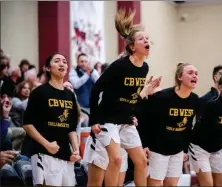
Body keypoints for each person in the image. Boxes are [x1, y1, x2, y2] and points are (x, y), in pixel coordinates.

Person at [85, 9, 160, 186]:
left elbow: (131, 97)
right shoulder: (119, 66)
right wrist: (93, 119)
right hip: (107, 119)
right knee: (117, 159)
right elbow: (96, 88)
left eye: (147, 38)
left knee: (141, 161)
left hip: (125, 121)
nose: (146, 41)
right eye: (141, 39)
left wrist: (138, 104)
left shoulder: (144, 68)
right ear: (132, 46)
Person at [23, 53, 81, 186]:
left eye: (64, 62)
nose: (62, 64)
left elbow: (71, 128)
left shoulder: (70, 95)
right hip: (43, 152)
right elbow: (27, 124)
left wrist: (76, 149)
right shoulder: (39, 92)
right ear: (48, 68)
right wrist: (47, 144)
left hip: (66, 154)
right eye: (57, 61)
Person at [137, 63, 199, 186]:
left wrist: (185, 149)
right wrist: (144, 144)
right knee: (155, 183)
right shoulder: (163, 97)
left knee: (171, 184)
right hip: (157, 148)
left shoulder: (194, 99)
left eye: (197, 73)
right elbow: (145, 120)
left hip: (177, 150)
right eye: (190, 72)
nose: (195, 76)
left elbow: (188, 126)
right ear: (179, 77)